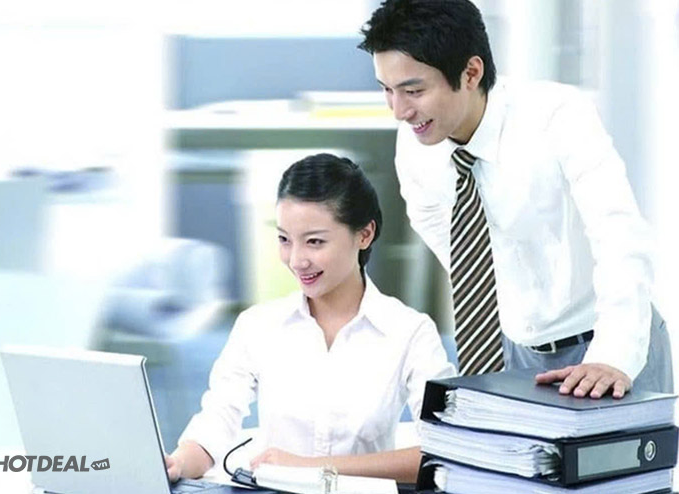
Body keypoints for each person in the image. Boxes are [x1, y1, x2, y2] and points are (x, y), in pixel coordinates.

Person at [358, 0, 672, 398]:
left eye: (413, 90)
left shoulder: (557, 115)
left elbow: (619, 234)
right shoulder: (417, 143)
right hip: (515, 353)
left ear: (471, 73)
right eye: (387, 90)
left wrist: (614, 354)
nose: (399, 111)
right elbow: (436, 226)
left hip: (607, 342)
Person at [165, 153, 456, 483]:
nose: (296, 260)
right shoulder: (257, 325)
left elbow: (446, 453)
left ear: (364, 235)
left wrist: (313, 466)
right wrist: (178, 463)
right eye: (284, 239)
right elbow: (216, 423)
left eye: (315, 241)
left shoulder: (409, 332)